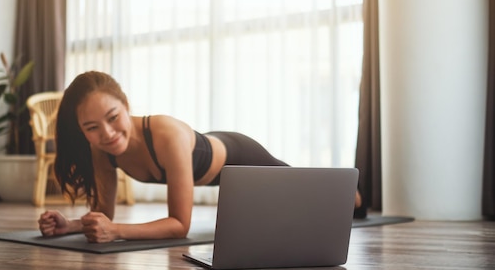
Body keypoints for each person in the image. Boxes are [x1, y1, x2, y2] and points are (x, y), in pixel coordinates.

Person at [38, 71, 362, 242]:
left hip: (240, 154)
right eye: (92, 127)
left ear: (126, 105)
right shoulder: (102, 151)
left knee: (333, 199)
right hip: (219, 169)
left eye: (112, 117)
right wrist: (70, 226)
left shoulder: (165, 134)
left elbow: (179, 225)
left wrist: (118, 231)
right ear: (82, 130)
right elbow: (102, 214)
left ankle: (354, 195)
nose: (107, 134)